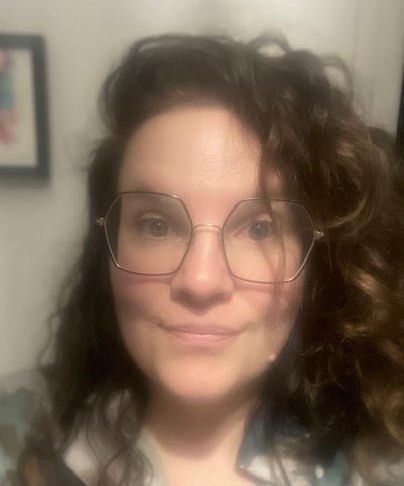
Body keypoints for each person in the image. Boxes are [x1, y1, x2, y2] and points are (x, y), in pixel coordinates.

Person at [1, 34, 404, 486]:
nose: (200, 281)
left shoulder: (379, 467)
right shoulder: (16, 437)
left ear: (316, 263)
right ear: (109, 248)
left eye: (260, 228)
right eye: (157, 225)